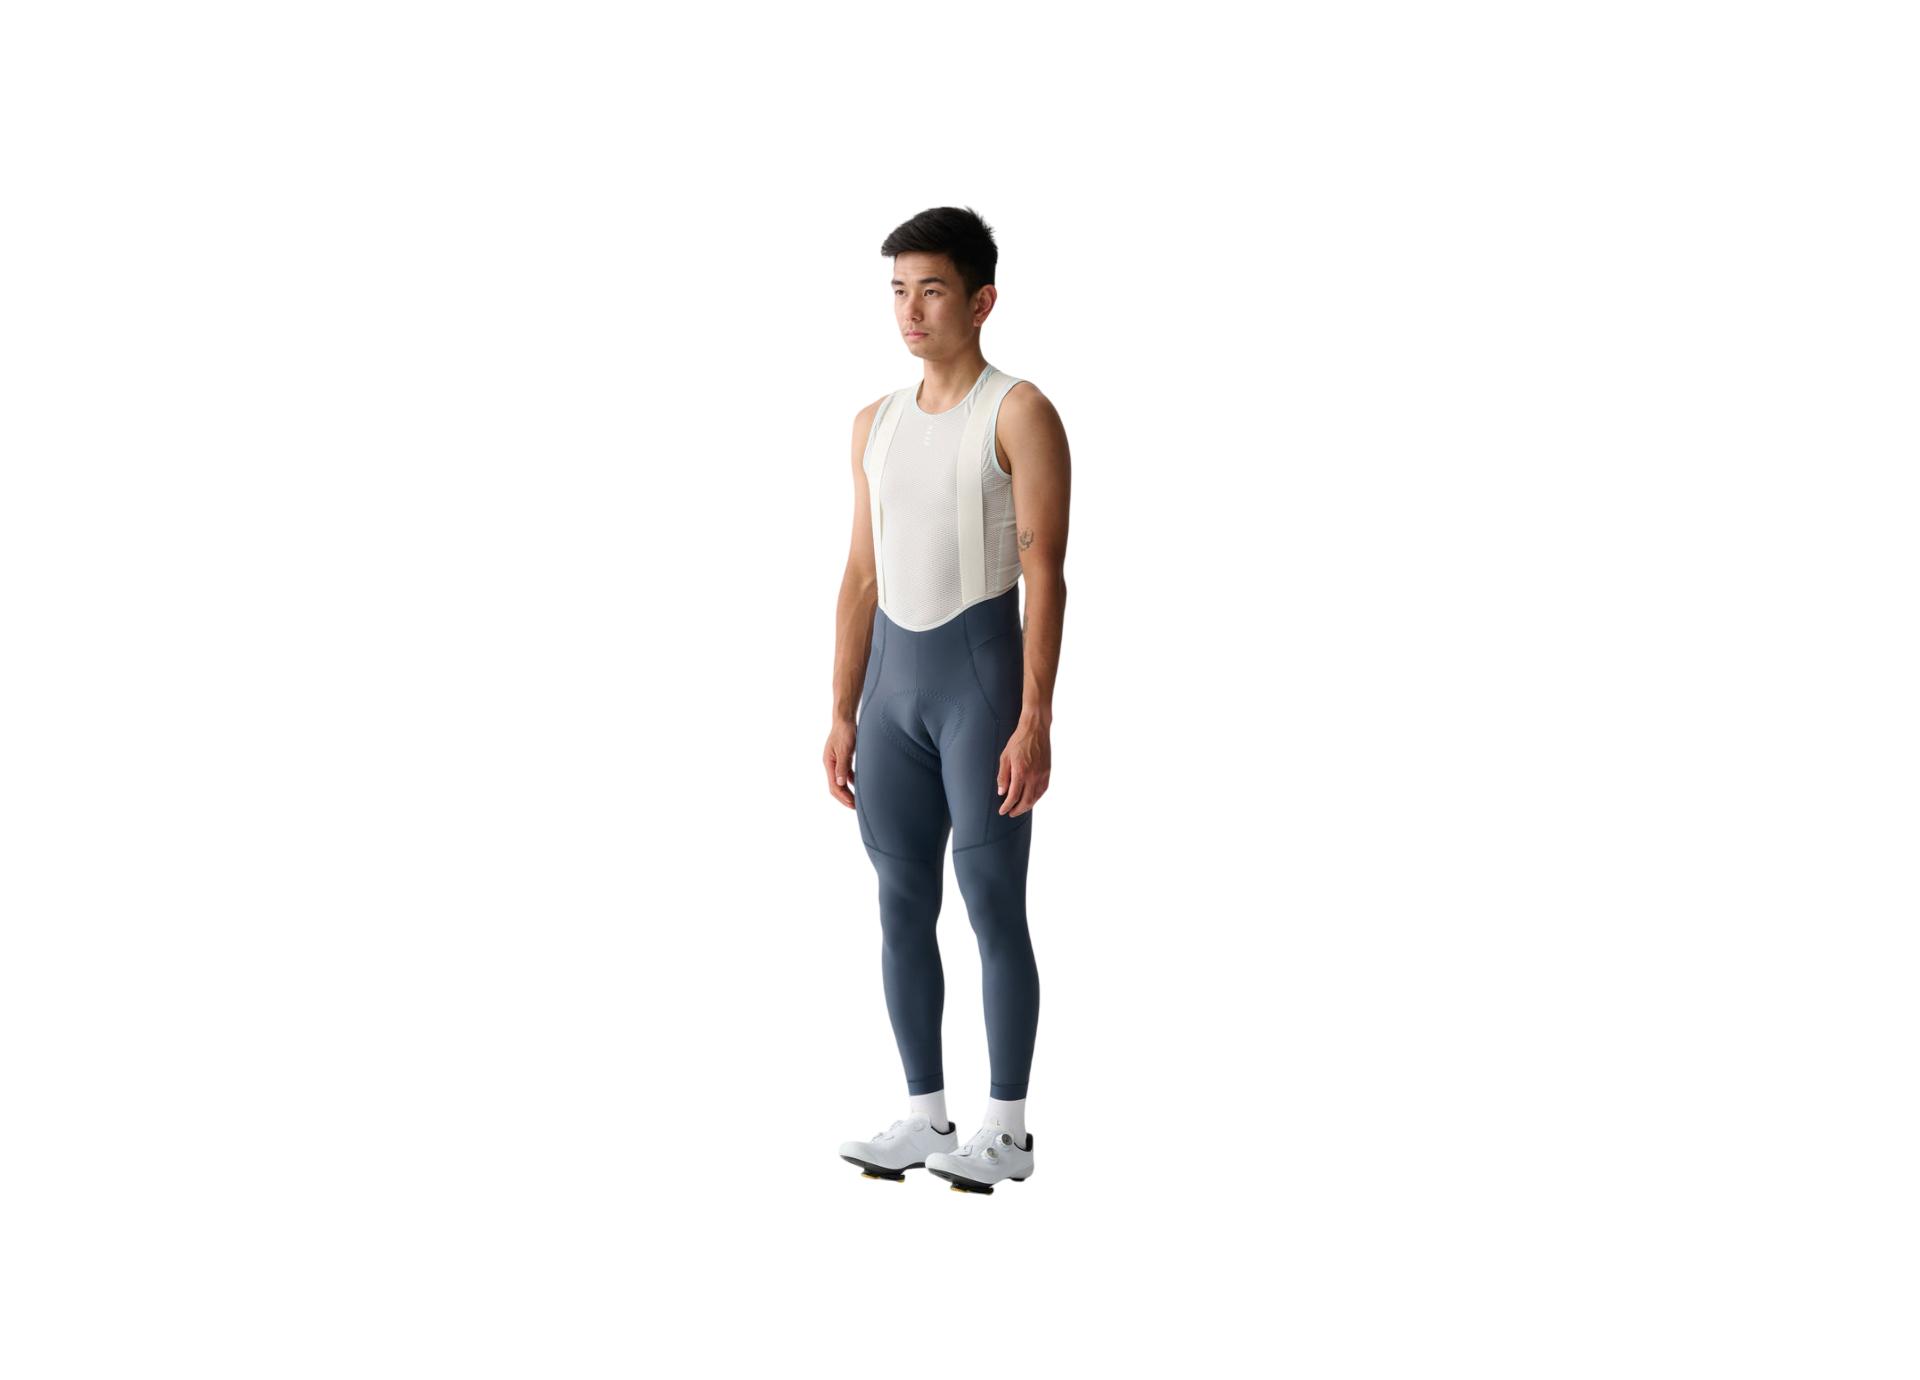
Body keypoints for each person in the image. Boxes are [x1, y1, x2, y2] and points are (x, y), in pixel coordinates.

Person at [822, 206, 1071, 1194]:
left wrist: (1036, 716)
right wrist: (841, 711)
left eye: (931, 289)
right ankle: (925, 1114)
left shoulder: (1019, 412)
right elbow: (860, 575)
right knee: (900, 904)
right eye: (898, 290)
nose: (910, 311)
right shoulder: (873, 423)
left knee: (991, 900)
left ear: (981, 301)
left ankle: (1007, 1131)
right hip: (890, 694)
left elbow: (1045, 574)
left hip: (980, 688)